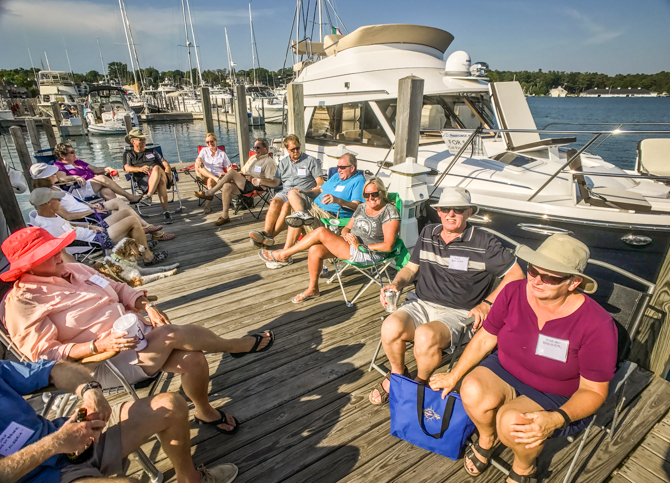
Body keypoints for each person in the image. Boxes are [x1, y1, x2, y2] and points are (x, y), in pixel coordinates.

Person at [1, 227, 275, 437]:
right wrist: (98, 345)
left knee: (194, 359)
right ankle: (236, 346)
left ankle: (204, 411)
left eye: (56, 247)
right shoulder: (23, 301)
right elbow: (44, 354)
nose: (58, 254)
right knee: (170, 334)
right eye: (48, 254)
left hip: (141, 337)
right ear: (26, 266)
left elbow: (119, 288)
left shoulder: (75, 269)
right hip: (104, 362)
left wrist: (144, 305)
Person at [429, 234, 617, 483]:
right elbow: (486, 336)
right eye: (532, 270)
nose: (537, 281)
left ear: (574, 283)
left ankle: (524, 467)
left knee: (514, 423)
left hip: (557, 391)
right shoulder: (513, 292)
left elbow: (593, 391)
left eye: (550, 276)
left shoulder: (597, 324)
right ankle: (487, 438)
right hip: (506, 368)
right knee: (470, 388)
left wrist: (557, 418)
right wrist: (454, 374)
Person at [369, 187, 525, 406]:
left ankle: (419, 383)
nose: (451, 214)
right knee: (390, 327)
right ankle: (398, 376)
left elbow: (517, 276)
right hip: (421, 302)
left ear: (469, 212)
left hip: (459, 312)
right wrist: (395, 283)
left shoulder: (484, 242)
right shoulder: (428, 233)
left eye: (458, 209)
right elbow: (411, 268)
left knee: (425, 336)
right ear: (438, 211)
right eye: (445, 209)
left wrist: (487, 304)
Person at [0, 359, 238, 483]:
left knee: (171, 406)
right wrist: (55, 443)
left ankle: (191, 479)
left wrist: (90, 391)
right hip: (36, 475)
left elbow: (52, 369)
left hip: (70, 437)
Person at [259, 178, 400, 303]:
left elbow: (388, 246)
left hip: (368, 253)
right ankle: (313, 289)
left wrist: (362, 246)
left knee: (321, 232)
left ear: (382, 193)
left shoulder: (389, 211)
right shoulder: (362, 207)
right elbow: (347, 228)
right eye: (366, 195)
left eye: (374, 194)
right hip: (350, 245)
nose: (370, 198)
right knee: (315, 249)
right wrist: (345, 234)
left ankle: (284, 254)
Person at [30, 163, 174, 241]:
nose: (55, 174)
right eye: (52, 173)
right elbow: (68, 217)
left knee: (117, 201)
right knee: (124, 211)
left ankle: (149, 229)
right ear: (46, 177)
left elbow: (74, 200)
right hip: (88, 216)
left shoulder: (54, 188)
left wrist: (91, 205)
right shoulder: (48, 197)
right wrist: (92, 210)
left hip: (89, 208)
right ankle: (152, 231)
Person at [28, 188, 168, 266]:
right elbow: (65, 249)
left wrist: (90, 226)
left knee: (125, 212)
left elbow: (70, 225)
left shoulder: (47, 215)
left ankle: (138, 246)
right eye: (56, 199)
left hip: (92, 232)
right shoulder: (48, 227)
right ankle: (148, 256)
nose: (59, 201)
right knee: (131, 221)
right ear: (47, 203)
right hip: (94, 241)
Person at [267, 152, 365, 258]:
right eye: (338, 167)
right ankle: (301, 215)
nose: (338, 170)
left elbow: (357, 206)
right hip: (314, 205)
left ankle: (284, 252)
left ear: (352, 168)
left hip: (329, 215)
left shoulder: (358, 181)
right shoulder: (337, 176)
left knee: (293, 213)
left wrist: (338, 200)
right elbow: (320, 190)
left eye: (342, 167)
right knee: (292, 193)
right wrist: (303, 192)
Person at [249, 134, 324, 248]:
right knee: (274, 202)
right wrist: (262, 182)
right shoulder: (283, 163)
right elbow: (275, 183)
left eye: (297, 148)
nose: (296, 151)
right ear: (287, 150)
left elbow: (320, 182)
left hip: (302, 193)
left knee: (287, 205)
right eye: (292, 149)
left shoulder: (311, 161)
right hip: (286, 191)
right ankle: (267, 233)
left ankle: (268, 236)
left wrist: (316, 189)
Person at [194, 138, 277, 226]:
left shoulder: (269, 162)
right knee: (226, 185)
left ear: (266, 149)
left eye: (258, 148)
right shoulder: (255, 159)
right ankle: (225, 216)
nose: (256, 150)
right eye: (255, 148)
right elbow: (245, 171)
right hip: (246, 182)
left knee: (232, 172)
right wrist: (237, 175)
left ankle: (210, 193)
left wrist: (258, 179)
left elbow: (271, 180)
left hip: (256, 186)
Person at [53, 143, 141, 203]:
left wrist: (108, 169)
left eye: (74, 151)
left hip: (92, 186)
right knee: (101, 178)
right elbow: (61, 178)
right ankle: (129, 196)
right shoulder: (59, 165)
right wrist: (75, 177)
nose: (74, 153)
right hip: (78, 188)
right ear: (62, 156)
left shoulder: (78, 162)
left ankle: (120, 213)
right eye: (71, 152)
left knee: (107, 191)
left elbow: (95, 169)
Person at [123, 129, 174, 225]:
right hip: (144, 181)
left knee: (157, 168)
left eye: (144, 139)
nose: (143, 141)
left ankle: (148, 196)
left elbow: (164, 163)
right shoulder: (129, 154)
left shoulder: (152, 151)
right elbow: (127, 168)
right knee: (161, 182)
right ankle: (166, 213)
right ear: (132, 141)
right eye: (140, 139)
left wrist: (168, 168)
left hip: (160, 173)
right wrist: (140, 169)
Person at [193, 132, 232, 215]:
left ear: (216, 141)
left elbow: (228, 167)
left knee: (210, 181)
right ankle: (214, 179)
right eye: (207, 142)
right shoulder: (204, 151)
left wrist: (229, 172)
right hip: (204, 175)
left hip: (218, 176)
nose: (210, 143)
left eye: (211, 141)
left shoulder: (222, 154)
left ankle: (207, 206)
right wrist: (199, 160)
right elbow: (199, 158)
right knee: (197, 163)